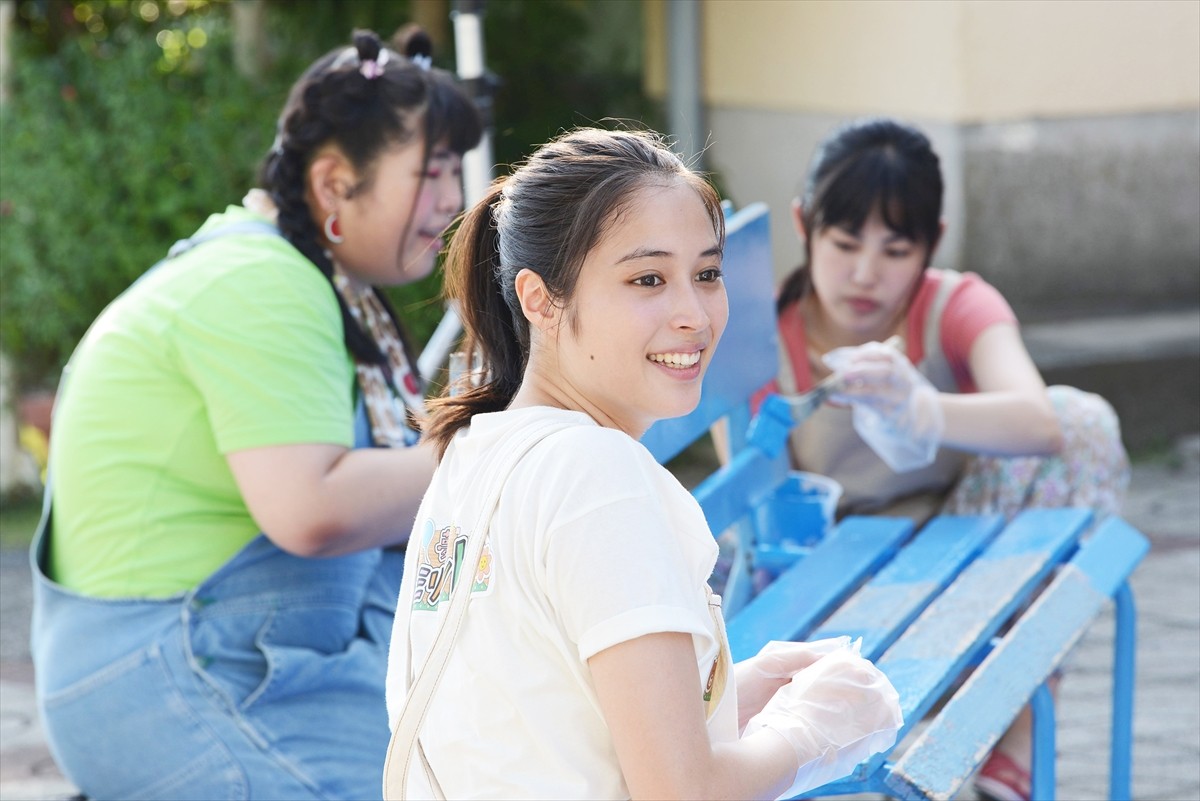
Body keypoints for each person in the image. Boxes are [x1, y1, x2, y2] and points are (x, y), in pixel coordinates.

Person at [382, 127, 903, 801]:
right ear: (540, 299)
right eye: (647, 278)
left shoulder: (475, 451)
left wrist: (737, 688)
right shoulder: (598, 476)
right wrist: (818, 731)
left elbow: (546, 728)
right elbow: (683, 791)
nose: (693, 313)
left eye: (707, 274)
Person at [30, 28, 482, 800]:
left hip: (225, 651)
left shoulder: (291, 270)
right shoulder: (262, 281)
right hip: (175, 674)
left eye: (455, 170)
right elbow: (311, 507)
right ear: (336, 183)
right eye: (432, 170)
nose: (452, 199)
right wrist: (493, 446)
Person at [755, 117, 1131, 801]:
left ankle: (1014, 723)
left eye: (897, 249)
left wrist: (924, 410)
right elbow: (765, 506)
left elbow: (1045, 420)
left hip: (962, 540)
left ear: (934, 243)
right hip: (838, 560)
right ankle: (1010, 722)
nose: (866, 274)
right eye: (843, 243)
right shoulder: (764, 337)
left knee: (1085, 422)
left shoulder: (952, 306)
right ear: (803, 224)